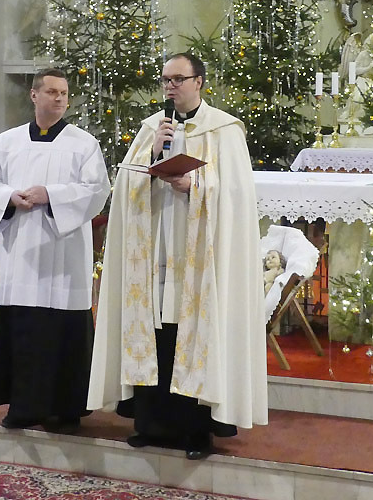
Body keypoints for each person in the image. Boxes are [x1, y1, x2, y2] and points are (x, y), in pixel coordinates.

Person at [88, 52, 267, 460]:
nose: (170, 86)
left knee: (193, 336)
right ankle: (149, 424)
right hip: (156, 254)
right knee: (156, 336)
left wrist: (197, 186)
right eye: (166, 79)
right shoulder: (152, 128)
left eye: (178, 79)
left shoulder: (225, 130)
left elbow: (237, 195)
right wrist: (153, 157)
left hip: (200, 261)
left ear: (199, 81)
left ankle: (196, 431)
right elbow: (126, 186)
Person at [0, 69, 110, 433]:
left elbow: (97, 190)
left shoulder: (83, 144)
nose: (59, 98)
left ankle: (67, 409)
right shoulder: (7, 142)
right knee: (25, 331)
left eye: (63, 93)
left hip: (64, 251)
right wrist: (10, 197)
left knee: (63, 331)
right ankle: (24, 406)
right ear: (34, 96)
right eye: (51, 91)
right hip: (20, 250)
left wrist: (51, 195)